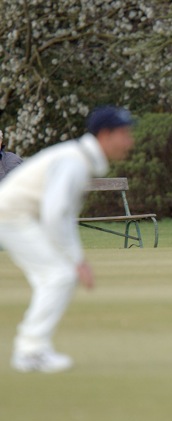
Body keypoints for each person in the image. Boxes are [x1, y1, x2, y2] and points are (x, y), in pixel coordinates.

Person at [0, 106, 135, 372]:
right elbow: (55, 213)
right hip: (12, 216)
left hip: (16, 216)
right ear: (105, 135)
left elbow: (62, 214)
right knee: (60, 276)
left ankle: (32, 348)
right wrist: (76, 259)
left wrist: (76, 257)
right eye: (124, 134)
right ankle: (31, 350)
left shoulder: (80, 157)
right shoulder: (74, 161)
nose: (129, 141)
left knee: (55, 277)